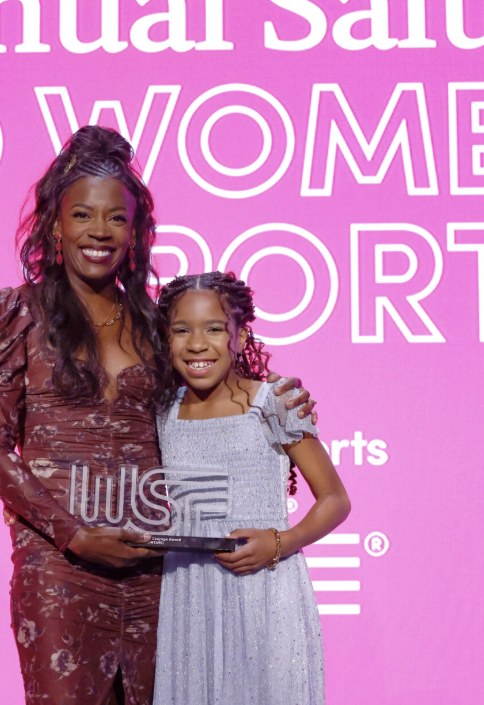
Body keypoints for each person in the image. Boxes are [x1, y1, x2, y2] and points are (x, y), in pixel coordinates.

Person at [0, 126, 316, 705]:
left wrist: (280, 398)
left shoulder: (159, 325)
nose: (99, 232)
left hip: (159, 564)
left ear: (136, 231)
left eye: (117, 220)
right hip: (59, 566)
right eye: (82, 216)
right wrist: (76, 536)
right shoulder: (12, 315)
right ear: (55, 223)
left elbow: (215, 395)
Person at [152, 271, 351, 705]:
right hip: (188, 595)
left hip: (265, 590)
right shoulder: (161, 413)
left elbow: (335, 499)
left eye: (214, 329)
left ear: (240, 337)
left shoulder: (273, 403)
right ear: (165, 340)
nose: (197, 343)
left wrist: (280, 542)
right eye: (181, 330)